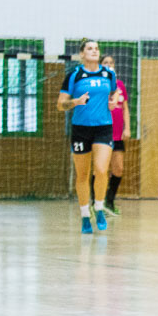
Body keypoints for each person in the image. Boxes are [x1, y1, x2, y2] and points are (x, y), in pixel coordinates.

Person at [57, 39, 119, 234]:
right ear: (82, 54)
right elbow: (60, 105)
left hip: (103, 127)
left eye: (96, 48)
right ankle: (85, 215)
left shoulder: (108, 73)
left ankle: (99, 208)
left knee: (101, 170)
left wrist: (114, 99)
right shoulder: (74, 75)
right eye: (90, 48)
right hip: (81, 129)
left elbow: (115, 91)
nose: (94, 51)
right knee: (82, 175)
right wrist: (76, 102)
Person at [98, 54, 130, 216]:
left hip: (118, 134)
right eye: (106, 62)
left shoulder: (120, 85)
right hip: (103, 133)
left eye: (111, 62)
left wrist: (127, 128)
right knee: (100, 169)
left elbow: (125, 108)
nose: (109, 64)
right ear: (100, 65)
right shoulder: (98, 84)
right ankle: (96, 202)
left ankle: (109, 201)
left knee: (118, 169)